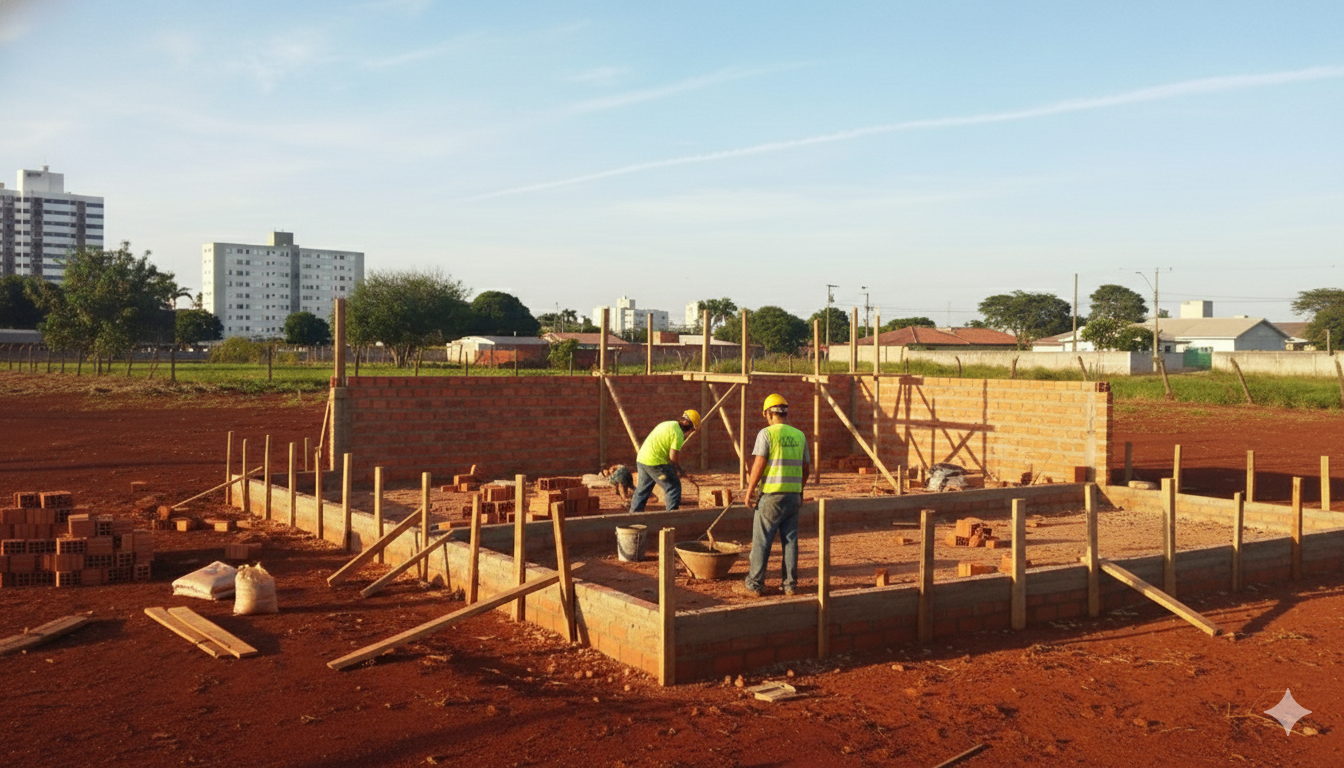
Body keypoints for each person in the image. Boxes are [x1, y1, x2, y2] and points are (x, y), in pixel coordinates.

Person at [738, 393, 810, 598]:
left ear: (768, 413)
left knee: (762, 541)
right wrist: (799, 489)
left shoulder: (766, 434)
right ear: (785, 413)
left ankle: (754, 584)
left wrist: (750, 491)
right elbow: (807, 469)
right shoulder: (799, 435)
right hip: (793, 496)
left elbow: (759, 464)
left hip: (771, 496)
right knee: (790, 541)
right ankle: (790, 585)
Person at [629, 409, 701, 512]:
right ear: (689, 425)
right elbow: (673, 457)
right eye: (692, 430)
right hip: (655, 462)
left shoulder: (669, 424)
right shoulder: (678, 434)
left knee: (642, 490)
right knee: (673, 486)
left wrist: (674, 469)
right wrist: (678, 469)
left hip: (642, 459)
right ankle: (671, 517)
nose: (690, 433)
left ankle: (633, 517)